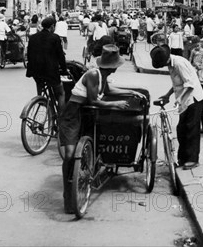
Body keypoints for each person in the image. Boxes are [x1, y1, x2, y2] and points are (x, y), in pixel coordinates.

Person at [59, 45, 131, 214]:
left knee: (85, 149)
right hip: (72, 114)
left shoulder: (103, 76)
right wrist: (115, 103)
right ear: (113, 67)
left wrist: (131, 93)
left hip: (86, 114)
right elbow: (93, 100)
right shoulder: (93, 74)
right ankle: (67, 190)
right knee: (69, 155)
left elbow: (109, 90)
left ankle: (80, 181)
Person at [151, 44, 203, 170]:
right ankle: (182, 158)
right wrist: (168, 95)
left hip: (193, 99)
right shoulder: (172, 65)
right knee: (181, 130)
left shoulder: (179, 63)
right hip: (184, 100)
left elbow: (189, 84)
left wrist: (179, 98)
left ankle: (192, 159)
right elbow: (177, 83)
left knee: (191, 129)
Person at [26, 17, 68, 113]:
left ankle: (40, 98)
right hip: (50, 71)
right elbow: (61, 56)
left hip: (34, 70)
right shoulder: (55, 38)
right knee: (61, 93)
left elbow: (29, 55)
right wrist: (64, 70)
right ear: (52, 26)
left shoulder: (33, 37)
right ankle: (61, 118)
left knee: (39, 80)